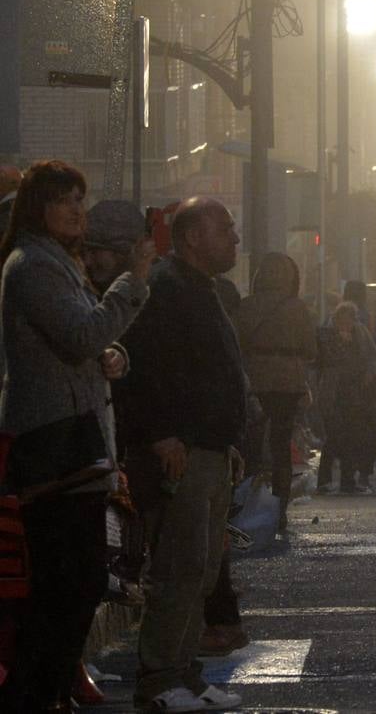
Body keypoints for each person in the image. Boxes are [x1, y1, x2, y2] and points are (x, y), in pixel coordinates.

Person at [0, 161, 153, 714]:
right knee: (68, 585)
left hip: (77, 443)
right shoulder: (32, 266)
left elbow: (89, 338)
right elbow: (82, 333)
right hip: (54, 447)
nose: (76, 211)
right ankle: (30, 696)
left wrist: (114, 354)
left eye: (80, 200)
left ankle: (45, 692)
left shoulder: (58, 263)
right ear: (37, 207)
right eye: (64, 200)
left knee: (80, 582)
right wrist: (131, 282)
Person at [119, 197, 248, 713]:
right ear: (193, 236)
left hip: (210, 450)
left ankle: (185, 673)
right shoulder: (165, 288)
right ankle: (159, 680)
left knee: (201, 570)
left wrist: (227, 440)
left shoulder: (202, 289)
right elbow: (142, 368)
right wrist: (161, 435)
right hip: (180, 452)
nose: (236, 239)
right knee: (177, 568)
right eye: (227, 228)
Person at [235, 252, 317, 530]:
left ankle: (246, 503)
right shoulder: (298, 308)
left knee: (251, 444)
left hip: (254, 378)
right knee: (281, 445)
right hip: (287, 382)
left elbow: (235, 342)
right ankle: (279, 508)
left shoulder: (246, 306)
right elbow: (311, 349)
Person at [315, 302, 376, 494]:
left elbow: (372, 356)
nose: (346, 326)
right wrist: (340, 343)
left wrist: (369, 374)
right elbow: (321, 361)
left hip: (354, 392)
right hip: (332, 393)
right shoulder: (326, 334)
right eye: (342, 322)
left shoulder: (360, 333)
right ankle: (324, 481)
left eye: (349, 322)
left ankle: (347, 481)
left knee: (352, 437)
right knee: (334, 437)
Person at [341, 281, 376, 490]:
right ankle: (364, 473)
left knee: (347, 429)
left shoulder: (334, 319)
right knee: (369, 430)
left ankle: (347, 473)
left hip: (344, 385)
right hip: (369, 385)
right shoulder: (374, 320)